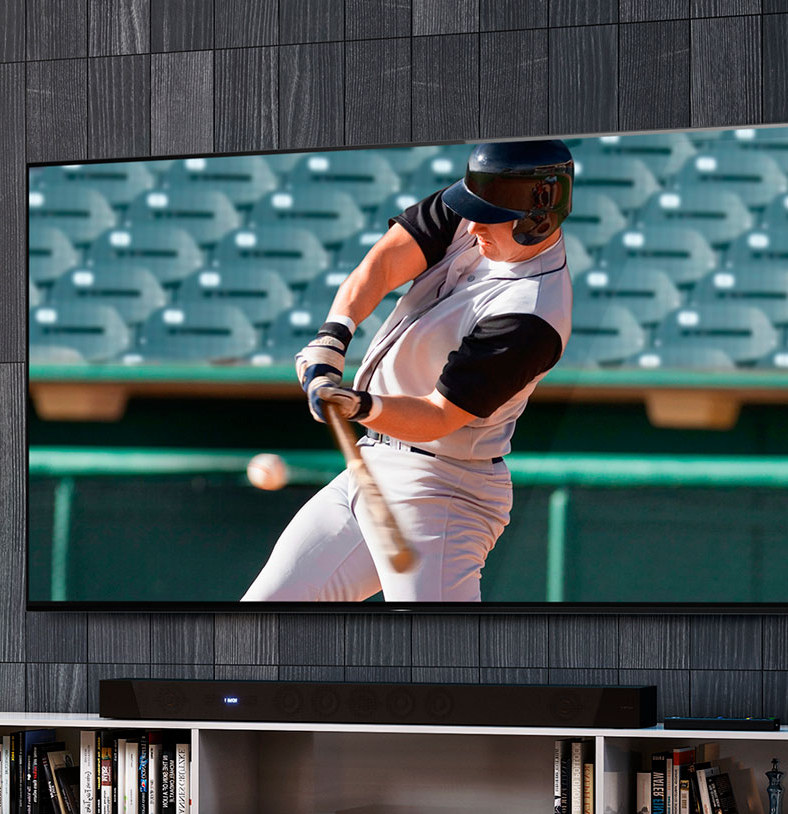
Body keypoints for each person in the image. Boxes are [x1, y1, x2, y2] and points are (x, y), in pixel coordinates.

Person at [241, 140, 576, 603]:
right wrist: (332, 338)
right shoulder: (476, 211)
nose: (473, 222)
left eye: (490, 214)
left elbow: (439, 416)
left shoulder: (531, 315)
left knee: (436, 660)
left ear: (537, 217)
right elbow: (383, 263)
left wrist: (360, 404)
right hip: (374, 466)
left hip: (442, 488)